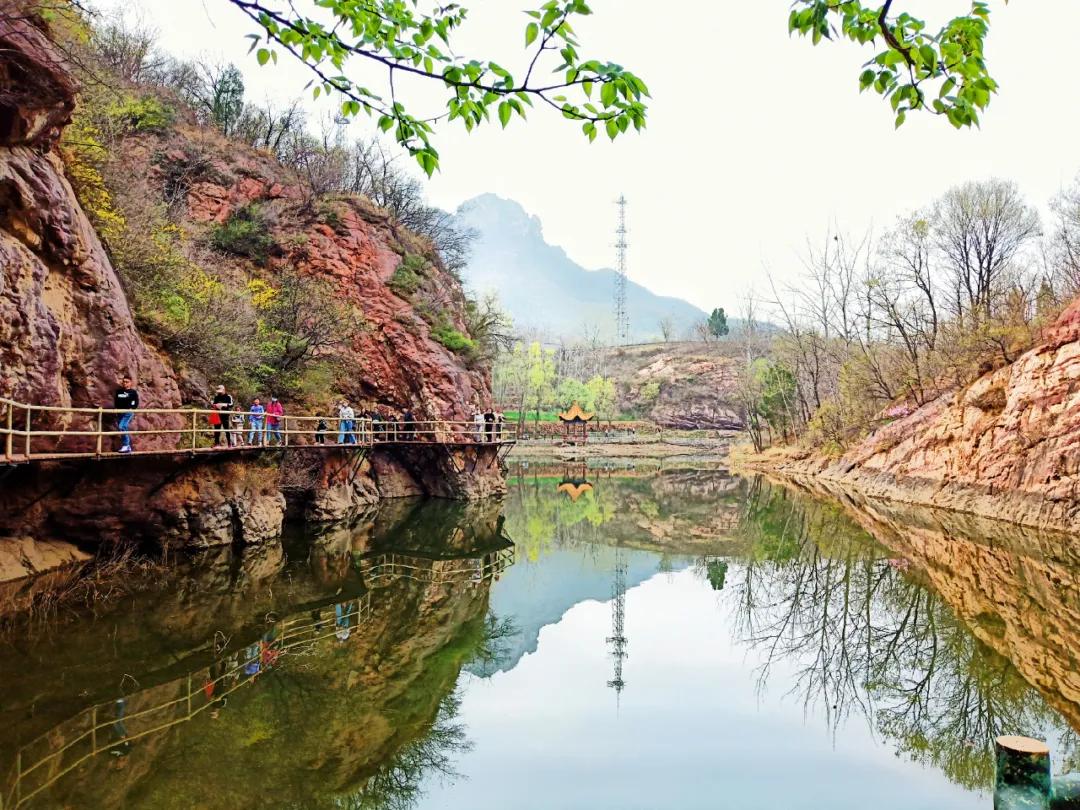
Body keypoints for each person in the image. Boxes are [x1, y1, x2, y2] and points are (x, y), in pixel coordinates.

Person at [112, 376, 139, 453]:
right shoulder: (119, 392)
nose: (125, 383)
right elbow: (116, 401)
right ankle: (128, 446)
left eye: (127, 382)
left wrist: (132, 408)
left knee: (122, 426)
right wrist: (116, 408)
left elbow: (135, 402)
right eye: (124, 381)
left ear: (130, 383)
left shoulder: (133, 392)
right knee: (123, 428)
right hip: (120, 412)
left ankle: (126, 445)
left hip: (128, 412)